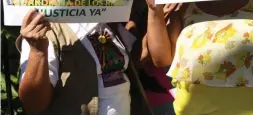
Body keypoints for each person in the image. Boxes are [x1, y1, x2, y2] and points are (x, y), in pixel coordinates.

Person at [17, 9, 152, 115]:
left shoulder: (106, 19)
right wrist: (38, 51)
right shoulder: (44, 29)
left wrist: (154, 10)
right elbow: (33, 104)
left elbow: (140, 58)